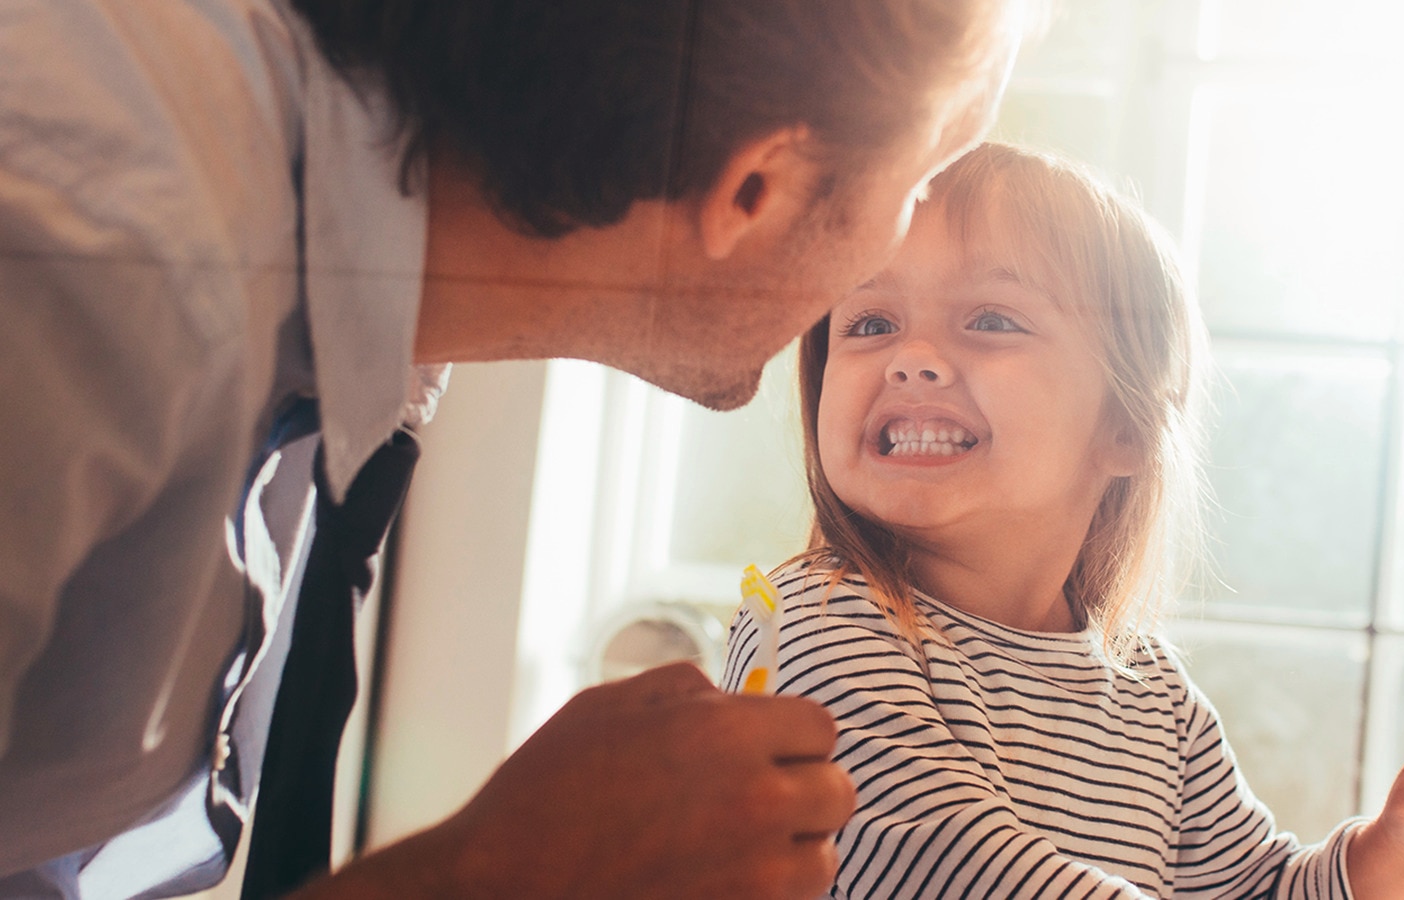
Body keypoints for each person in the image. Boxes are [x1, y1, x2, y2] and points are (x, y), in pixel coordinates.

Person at [0, 0, 1032, 896]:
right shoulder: (86, 272)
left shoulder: (334, 315)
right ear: (756, 189)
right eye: (920, 178)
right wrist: (486, 877)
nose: (895, 258)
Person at [721, 142, 1404, 898]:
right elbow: (945, 865)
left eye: (991, 319)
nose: (911, 355)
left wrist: (1391, 854)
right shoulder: (813, 622)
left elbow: (1253, 888)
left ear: (1126, 428)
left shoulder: (1155, 698)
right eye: (869, 323)